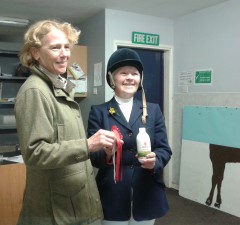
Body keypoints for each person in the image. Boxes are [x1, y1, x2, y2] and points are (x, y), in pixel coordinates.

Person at [14, 19, 118, 225]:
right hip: (57, 211)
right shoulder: (35, 91)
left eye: (66, 47)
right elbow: (35, 152)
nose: (64, 54)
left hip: (76, 202)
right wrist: (88, 145)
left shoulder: (60, 86)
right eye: (55, 47)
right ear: (35, 53)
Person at [87, 48, 172, 225]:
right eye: (123, 73)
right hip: (113, 193)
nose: (130, 78)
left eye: (134, 73)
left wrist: (155, 162)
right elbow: (94, 158)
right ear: (112, 78)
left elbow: (164, 149)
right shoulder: (99, 112)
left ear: (140, 78)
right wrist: (108, 154)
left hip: (147, 190)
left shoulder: (154, 110)